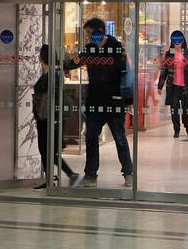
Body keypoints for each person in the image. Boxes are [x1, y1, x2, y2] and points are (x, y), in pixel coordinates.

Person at [63, 17, 134, 188]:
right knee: (91, 138)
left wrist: (128, 98)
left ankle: (128, 173)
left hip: (114, 101)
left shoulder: (117, 49)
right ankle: (90, 175)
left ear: (99, 32)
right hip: (95, 101)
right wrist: (58, 62)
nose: (87, 37)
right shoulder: (88, 50)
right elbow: (73, 63)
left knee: (120, 138)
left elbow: (126, 74)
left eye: (88, 33)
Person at [32, 44, 79, 190]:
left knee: (47, 150)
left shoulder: (51, 75)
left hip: (47, 117)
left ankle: (69, 175)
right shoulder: (53, 74)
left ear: (42, 58)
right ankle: (53, 179)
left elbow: (51, 96)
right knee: (47, 150)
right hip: (47, 116)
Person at [157, 37, 188, 137]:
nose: (177, 45)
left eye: (179, 43)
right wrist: (160, 86)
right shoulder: (169, 55)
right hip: (173, 86)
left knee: (185, 108)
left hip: (186, 85)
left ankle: (187, 123)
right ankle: (176, 129)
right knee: (174, 108)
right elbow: (164, 71)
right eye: (175, 43)